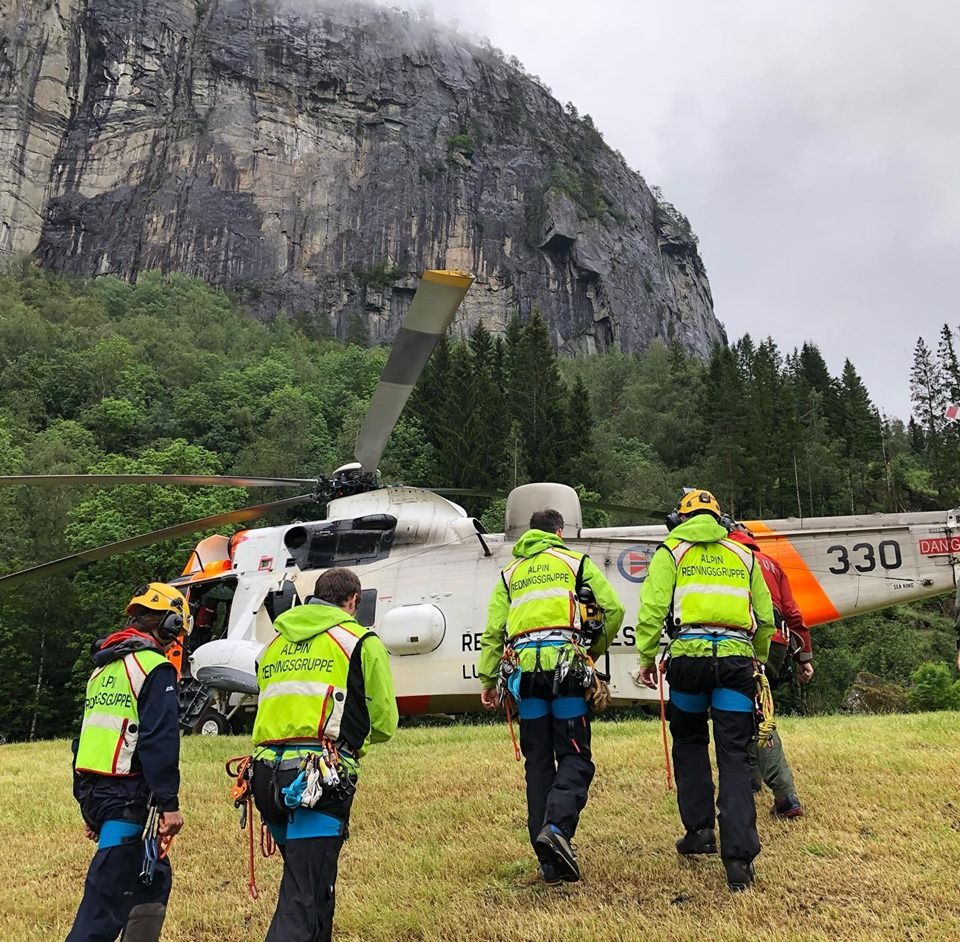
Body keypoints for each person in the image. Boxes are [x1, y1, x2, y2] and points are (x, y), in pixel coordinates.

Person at [634, 489, 774, 892]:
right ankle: (739, 859)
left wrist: (646, 658)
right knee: (733, 754)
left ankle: (698, 833)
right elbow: (764, 618)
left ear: (680, 518)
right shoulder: (743, 555)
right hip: (735, 661)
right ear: (720, 519)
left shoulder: (671, 552)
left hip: (688, 662)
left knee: (691, 743)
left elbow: (652, 610)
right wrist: (757, 659)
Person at [478, 508, 625, 884]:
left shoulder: (509, 574)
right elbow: (613, 609)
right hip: (566, 671)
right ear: (559, 531)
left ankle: (548, 864)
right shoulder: (575, 563)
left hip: (525, 677)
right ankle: (557, 830)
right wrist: (591, 653)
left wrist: (487, 680)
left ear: (530, 533)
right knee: (575, 755)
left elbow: (495, 631)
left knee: (538, 763)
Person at [251, 567, 398, 942]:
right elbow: (383, 721)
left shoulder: (274, 643)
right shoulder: (359, 641)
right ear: (353, 601)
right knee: (304, 894)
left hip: (267, 777)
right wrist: (355, 744)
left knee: (315, 887)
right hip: (318, 778)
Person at [66, 583, 188, 942]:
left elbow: (86, 739)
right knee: (101, 910)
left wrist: (90, 811)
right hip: (125, 798)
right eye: (176, 629)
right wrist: (169, 805)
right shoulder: (155, 668)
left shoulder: (104, 668)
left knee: (152, 879)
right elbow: (159, 741)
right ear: (168, 625)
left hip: (98, 793)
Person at [727, 524, 814, 818]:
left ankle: (785, 794)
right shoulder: (772, 564)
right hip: (779, 641)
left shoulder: (730, 557)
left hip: (748, 639)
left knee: (757, 715)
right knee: (751, 708)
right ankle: (751, 779)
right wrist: (805, 658)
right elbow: (793, 613)